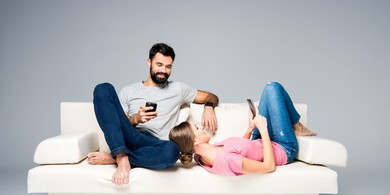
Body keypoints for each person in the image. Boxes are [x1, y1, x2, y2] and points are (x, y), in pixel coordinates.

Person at [87, 43, 219, 185]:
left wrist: (209, 107)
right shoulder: (129, 91)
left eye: (168, 67)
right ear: (149, 62)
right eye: (159, 65)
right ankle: (121, 155)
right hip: (131, 136)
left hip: (157, 145)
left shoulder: (178, 89)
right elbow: (117, 124)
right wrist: (136, 119)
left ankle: (117, 158)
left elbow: (211, 97)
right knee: (103, 88)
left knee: (173, 150)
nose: (163, 70)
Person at [169, 81, 316, 176]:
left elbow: (239, 149)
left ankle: (295, 125)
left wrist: (250, 129)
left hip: (258, 141)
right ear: (194, 142)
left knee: (268, 88)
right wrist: (263, 130)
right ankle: (297, 126)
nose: (201, 125)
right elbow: (269, 166)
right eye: (197, 127)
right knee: (273, 87)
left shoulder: (201, 154)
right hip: (282, 148)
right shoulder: (227, 160)